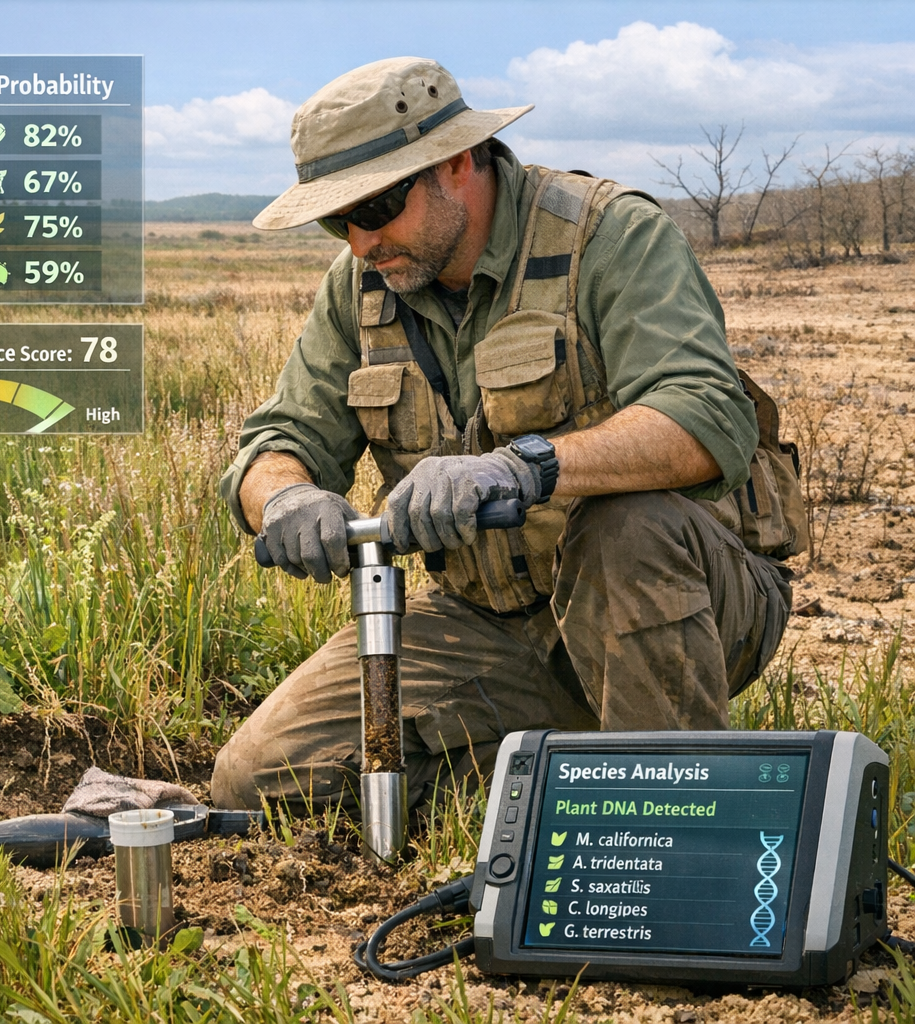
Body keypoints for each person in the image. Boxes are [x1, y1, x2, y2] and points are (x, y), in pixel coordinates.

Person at [210, 57, 801, 815]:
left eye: (379, 207)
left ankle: (667, 827)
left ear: (456, 161)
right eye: (338, 220)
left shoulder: (610, 234)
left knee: (624, 528)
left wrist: (527, 467)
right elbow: (279, 437)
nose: (360, 242)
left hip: (685, 592)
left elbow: (705, 417)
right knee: (260, 779)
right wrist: (284, 495)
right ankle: (564, 790)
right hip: (489, 618)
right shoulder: (360, 285)